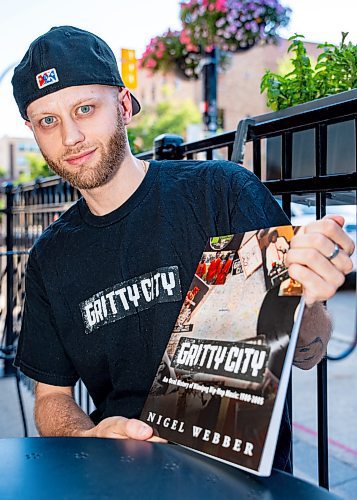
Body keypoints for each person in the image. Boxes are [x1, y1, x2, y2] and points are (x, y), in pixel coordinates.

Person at [12, 26, 354, 472]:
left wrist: (306, 299)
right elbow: (52, 398)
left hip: (239, 479)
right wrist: (87, 436)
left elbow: (312, 353)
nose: (71, 136)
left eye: (85, 108)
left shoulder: (221, 193)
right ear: (32, 131)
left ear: (123, 104)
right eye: (48, 121)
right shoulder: (48, 259)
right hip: (124, 475)